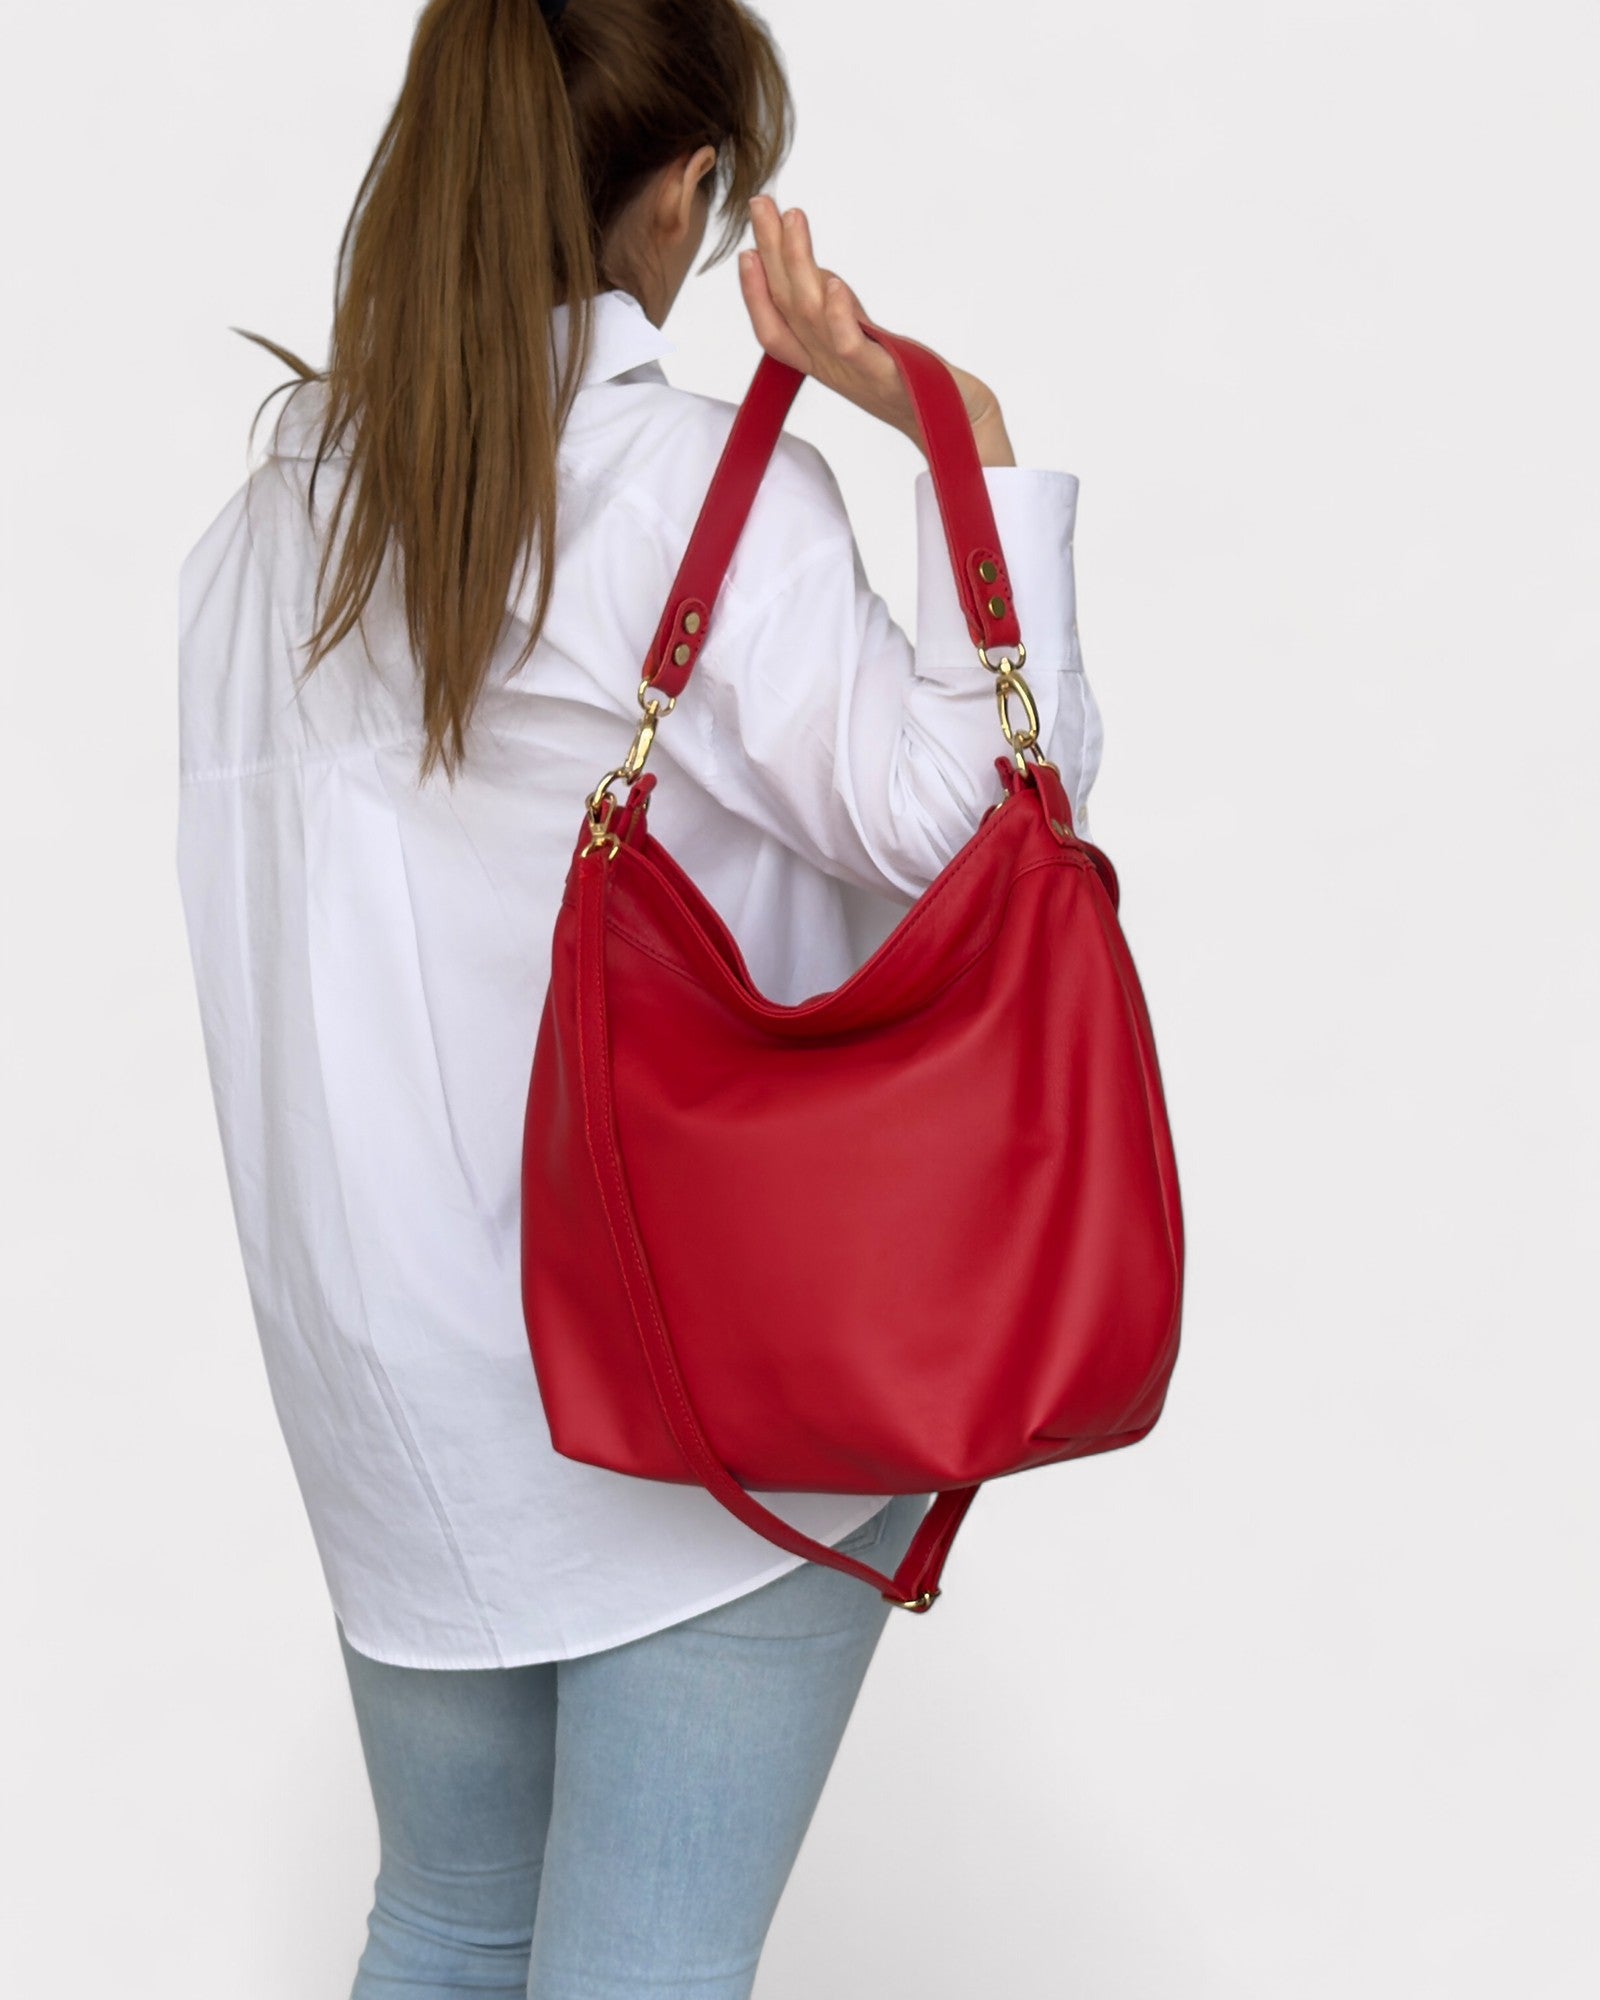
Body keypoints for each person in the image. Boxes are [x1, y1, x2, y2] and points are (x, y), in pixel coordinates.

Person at [174, 0, 1103, 1992]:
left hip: (398, 1409)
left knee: (441, 1920)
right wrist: (957, 420)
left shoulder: (272, 520)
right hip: (698, 1399)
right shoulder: (680, 484)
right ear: (685, 191)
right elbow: (983, 839)